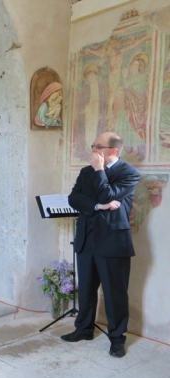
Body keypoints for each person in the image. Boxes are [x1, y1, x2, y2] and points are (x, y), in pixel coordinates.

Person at [62, 132, 140, 358]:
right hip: (87, 239)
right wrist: (98, 207)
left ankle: (117, 339)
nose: (94, 150)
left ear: (114, 150)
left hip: (113, 242)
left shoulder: (129, 173)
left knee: (115, 293)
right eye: (93, 145)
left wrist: (99, 171)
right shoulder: (86, 171)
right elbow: (74, 199)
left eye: (99, 146)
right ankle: (84, 329)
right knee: (85, 289)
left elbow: (108, 195)